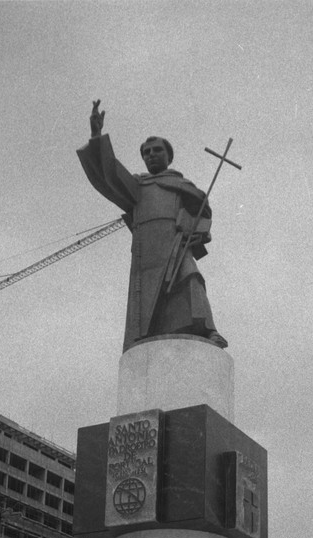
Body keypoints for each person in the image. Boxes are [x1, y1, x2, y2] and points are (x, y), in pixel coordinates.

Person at [77, 100, 227, 353]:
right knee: (147, 299)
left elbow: (202, 212)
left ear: (169, 156)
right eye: (146, 152)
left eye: (157, 150)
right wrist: (96, 135)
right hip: (147, 249)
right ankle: (151, 337)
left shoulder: (181, 185)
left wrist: (197, 231)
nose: (151, 155)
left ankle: (207, 329)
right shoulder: (139, 186)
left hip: (176, 242)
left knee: (190, 277)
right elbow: (109, 173)